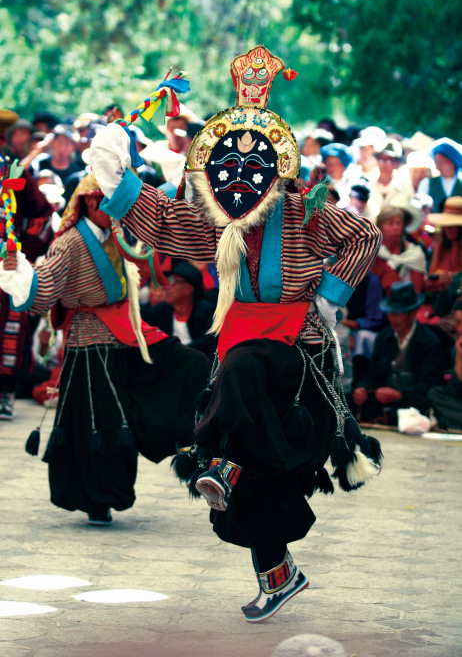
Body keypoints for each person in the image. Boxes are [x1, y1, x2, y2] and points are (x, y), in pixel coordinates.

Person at [90, 45, 383, 621]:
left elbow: (365, 238)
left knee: (244, 368)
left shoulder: (307, 209)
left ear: (277, 170)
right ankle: (279, 574)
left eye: (254, 167)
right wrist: (116, 179)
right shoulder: (216, 222)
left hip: (298, 354)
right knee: (253, 480)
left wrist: (329, 295)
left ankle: (212, 455)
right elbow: (164, 223)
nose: (240, 179)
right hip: (246, 361)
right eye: (228, 169)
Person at [0, 173, 209, 523]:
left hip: (125, 330)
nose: (115, 208)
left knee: (187, 363)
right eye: (107, 200)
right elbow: (45, 288)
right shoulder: (68, 243)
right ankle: (98, 497)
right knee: (104, 421)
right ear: (92, 203)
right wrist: (19, 273)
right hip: (89, 339)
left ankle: (182, 437)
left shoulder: (115, 234)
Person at [0, 151, 53, 419]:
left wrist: (21, 253)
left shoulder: (12, 170)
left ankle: (5, 393)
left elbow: (43, 216)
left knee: (8, 329)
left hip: (6, 265)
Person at [353, 281, 444, 424]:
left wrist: (400, 395)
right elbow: (372, 373)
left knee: (419, 403)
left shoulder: (430, 341)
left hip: (410, 400)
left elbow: (429, 383)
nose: (393, 319)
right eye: (390, 313)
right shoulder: (384, 336)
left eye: (398, 314)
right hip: (383, 400)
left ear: (412, 312)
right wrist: (362, 388)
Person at [142, 260, 217, 359]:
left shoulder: (207, 312)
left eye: (173, 281)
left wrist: (179, 352)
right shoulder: (159, 311)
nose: (166, 286)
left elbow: (211, 342)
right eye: (167, 281)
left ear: (189, 288)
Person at [342, 272, 384, 387]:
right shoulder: (333, 277)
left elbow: (375, 319)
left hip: (361, 330)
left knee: (361, 338)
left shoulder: (370, 280)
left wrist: (355, 325)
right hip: (338, 327)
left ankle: (357, 387)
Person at [371, 206, 426, 294]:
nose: (395, 228)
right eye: (390, 223)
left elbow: (417, 292)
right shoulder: (374, 252)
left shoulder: (414, 254)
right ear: (380, 227)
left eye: (398, 223)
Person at [428, 299, 462, 430]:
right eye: (458, 323)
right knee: (434, 393)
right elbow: (456, 391)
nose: (460, 329)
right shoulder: (457, 348)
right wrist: (460, 356)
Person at [426, 197, 462, 294]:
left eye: (453, 224)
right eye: (446, 224)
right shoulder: (440, 247)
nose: (448, 228)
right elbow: (431, 279)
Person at [369, 139, 414, 210]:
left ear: (397, 163)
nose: (383, 164)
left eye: (389, 160)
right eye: (381, 159)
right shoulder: (367, 182)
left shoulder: (405, 186)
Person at [419, 138, 462, 212]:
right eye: (436, 161)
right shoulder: (427, 183)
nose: (437, 166)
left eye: (441, 161)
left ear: (452, 161)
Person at [320, 142, 354, 207]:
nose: (332, 166)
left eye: (336, 162)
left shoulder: (352, 183)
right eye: (328, 162)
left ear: (344, 165)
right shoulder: (320, 184)